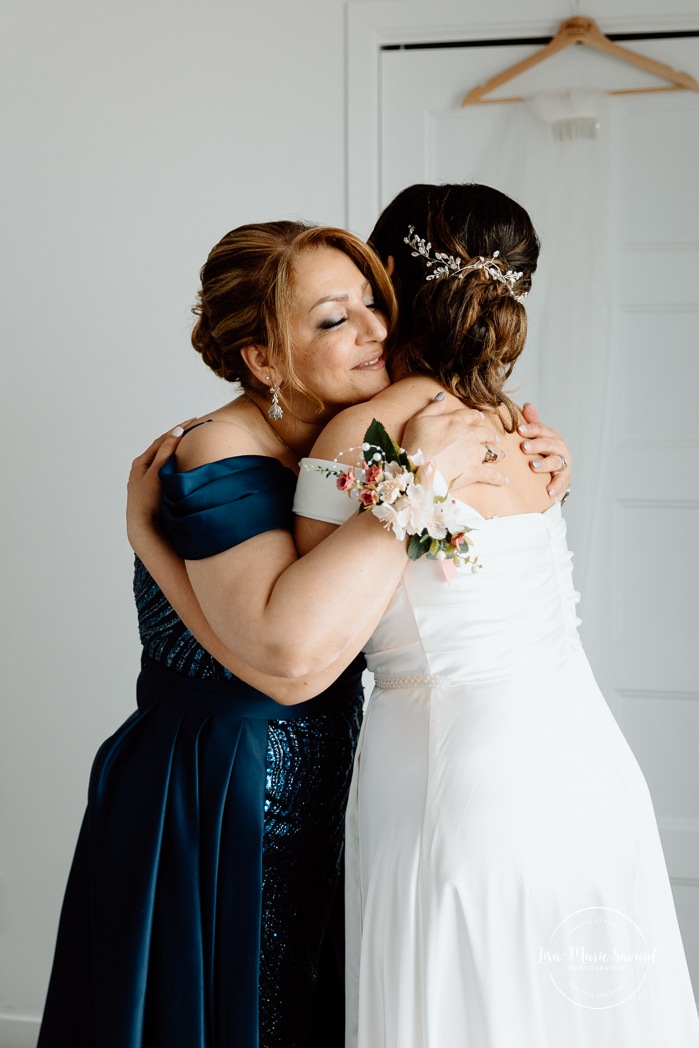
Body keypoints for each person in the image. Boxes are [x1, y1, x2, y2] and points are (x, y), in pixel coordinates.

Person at [38, 218, 571, 1048]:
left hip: (318, 771)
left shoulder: (353, 441)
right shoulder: (218, 448)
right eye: (332, 319)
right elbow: (287, 668)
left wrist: (535, 471)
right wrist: (418, 484)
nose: (375, 331)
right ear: (261, 359)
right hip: (215, 789)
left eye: (372, 302)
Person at [293, 183, 699, 1046]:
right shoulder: (517, 427)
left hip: (456, 782)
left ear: (391, 275)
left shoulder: (357, 436)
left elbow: (302, 624)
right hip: (588, 773)